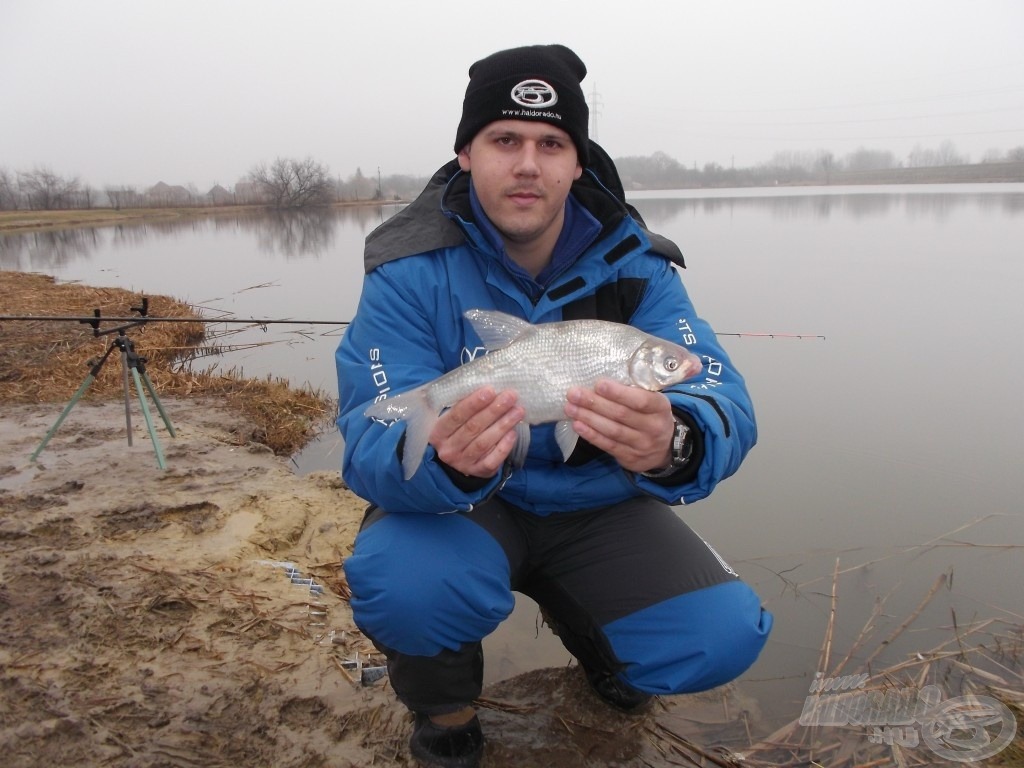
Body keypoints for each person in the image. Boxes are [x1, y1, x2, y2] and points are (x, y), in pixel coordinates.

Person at [335, 43, 772, 768]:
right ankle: (446, 723)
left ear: (577, 161)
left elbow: (719, 389)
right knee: (404, 585)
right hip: (466, 508)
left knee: (721, 634)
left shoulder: (639, 264)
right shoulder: (408, 267)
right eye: (505, 140)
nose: (528, 164)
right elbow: (367, 432)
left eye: (551, 143)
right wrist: (448, 463)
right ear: (466, 153)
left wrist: (677, 442)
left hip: (597, 505)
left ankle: (612, 666)